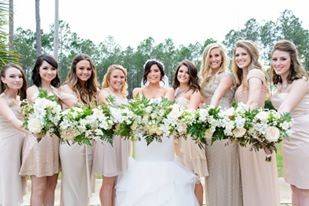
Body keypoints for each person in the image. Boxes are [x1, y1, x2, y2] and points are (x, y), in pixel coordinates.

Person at [115, 59, 199, 206]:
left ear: (161, 74)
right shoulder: (137, 92)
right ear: (146, 73)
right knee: (143, 168)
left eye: (156, 71)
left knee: (164, 168)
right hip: (142, 137)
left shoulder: (169, 91)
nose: (153, 74)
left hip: (163, 136)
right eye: (150, 71)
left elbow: (166, 110)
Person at [232, 40, 280, 206]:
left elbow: (252, 101)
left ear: (252, 55)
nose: (239, 57)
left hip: (255, 134)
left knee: (258, 180)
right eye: (237, 54)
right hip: (246, 134)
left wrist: (240, 118)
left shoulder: (254, 74)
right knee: (251, 180)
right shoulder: (243, 76)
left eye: (244, 54)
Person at [200, 43, 242, 206]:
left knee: (226, 170)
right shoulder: (205, 78)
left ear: (223, 56)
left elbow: (216, 97)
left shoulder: (228, 76)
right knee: (213, 173)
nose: (213, 59)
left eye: (217, 55)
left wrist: (208, 114)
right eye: (210, 56)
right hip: (209, 129)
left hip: (224, 126)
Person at [270, 40, 309, 206]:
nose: (278, 63)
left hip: (303, 138)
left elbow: (285, 108)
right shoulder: (278, 84)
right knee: (294, 186)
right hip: (289, 139)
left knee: (305, 188)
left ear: (292, 59)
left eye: (283, 59)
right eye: (274, 59)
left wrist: (267, 130)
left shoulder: (302, 81)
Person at [19, 54, 61, 206]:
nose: (49, 72)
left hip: (54, 143)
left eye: (53, 69)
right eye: (45, 68)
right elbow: (40, 103)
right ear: (38, 69)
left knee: (51, 187)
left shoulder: (58, 91)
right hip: (38, 142)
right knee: (39, 188)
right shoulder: (32, 90)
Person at [59, 54, 99, 206]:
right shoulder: (64, 89)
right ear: (74, 70)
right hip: (71, 143)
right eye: (81, 68)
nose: (85, 72)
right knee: (71, 184)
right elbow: (81, 111)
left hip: (89, 143)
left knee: (85, 185)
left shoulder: (93, 92)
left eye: (88, 69)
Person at [93, 64, 130, 206]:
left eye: (122, 77)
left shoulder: (123, 96)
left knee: (117, 180)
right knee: (108, 179)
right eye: (115, 76)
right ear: (108, 78)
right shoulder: (103, 93)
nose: (119, 80)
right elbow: (109, 113)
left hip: (122, 139)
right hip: (109, 138)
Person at [172, 60, 207, 205]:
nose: (183, 74)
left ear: (192, 75)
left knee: (193, 176)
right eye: (181, 71)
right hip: (175, 138)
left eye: (187, 72)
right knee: (179, 176)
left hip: (189, 138)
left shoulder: (194, 91)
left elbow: (191, 114)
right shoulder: (174, 91)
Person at [0, 63, 27, 206]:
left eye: (20, 76)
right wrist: (36, 130)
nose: (17, 79)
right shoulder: (1, 100)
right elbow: (13, 120)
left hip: (22, 145)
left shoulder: (21, 100)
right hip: (8, 146)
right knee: (9, 184)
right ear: (3, 79)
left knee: (19, 184)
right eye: (12, 76)